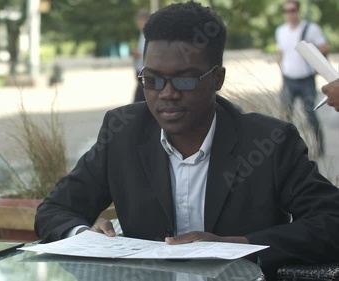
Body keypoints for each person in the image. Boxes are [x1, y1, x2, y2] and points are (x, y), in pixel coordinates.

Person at [34, 2, 339, 280]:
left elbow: (331, 221)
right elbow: (55, 210)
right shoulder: (123, 132)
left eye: (184, 79)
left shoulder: (269, 141)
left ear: (217, 79)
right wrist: (85, 235)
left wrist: (239, 246)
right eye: (152, 80)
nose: (167, 93)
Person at [275, 0, 328, 155]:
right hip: (288, 79)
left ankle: (319, 146)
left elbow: (324, 47)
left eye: (292, 10)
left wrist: (311, 55)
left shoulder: (311, 29)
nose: (289, 14)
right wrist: (282, 71)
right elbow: (281, 53)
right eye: (286, 11)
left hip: (306, 79)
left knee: (310, 114)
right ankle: (288, 150)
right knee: (286, 116)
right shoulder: (281, 31)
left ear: (298, 11)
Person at [131, 9, 149, 102]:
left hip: (145, 72)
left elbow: (150, 54)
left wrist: (138, 54)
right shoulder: (142, 34)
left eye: (140, 20)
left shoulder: (148, 34)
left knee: (138, 100)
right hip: (140, 70)